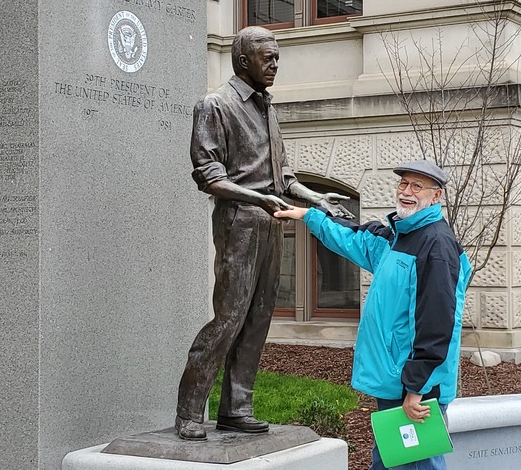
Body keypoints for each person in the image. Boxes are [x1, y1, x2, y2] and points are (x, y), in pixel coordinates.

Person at [176, 25, 352, 441]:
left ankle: (237, 407)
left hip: (271, 222)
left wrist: (317, 199)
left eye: (277, 56)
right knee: (229, 319)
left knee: (257, 319)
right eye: (267, 57)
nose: (276, 64)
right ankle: (188, 410)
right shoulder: (215, 105)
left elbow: (284, 176)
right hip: (239, 222)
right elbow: (209, 177)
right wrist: (258, 200)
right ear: (243, 61)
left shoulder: (266, 107)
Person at [274, 159, 471, 470]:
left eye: (417, 186)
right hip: (397, 381)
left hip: (415, 387)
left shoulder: (436, 246)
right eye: (403, 183)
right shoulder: (399, 236)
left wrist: (417, 388)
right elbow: (355, 239)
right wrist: (307, 216)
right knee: (391, 463)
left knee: (414, 465)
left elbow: (437, 324)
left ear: (437, 196)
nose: (406, 191)